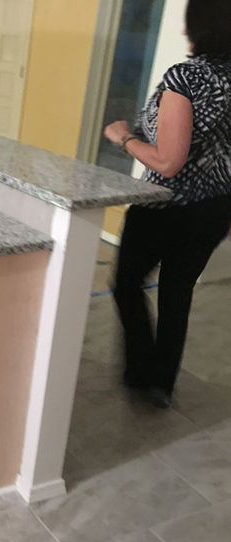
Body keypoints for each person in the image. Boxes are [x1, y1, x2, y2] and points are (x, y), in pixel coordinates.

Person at [103, 0, 231, 408]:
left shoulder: (187, 77)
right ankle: (162, 383)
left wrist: (123, 137)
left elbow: (167, 162)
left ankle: (141, 371)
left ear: (200, 26)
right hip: (217, 207)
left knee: (127, 283)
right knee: (177, 291)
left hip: (165, 206)